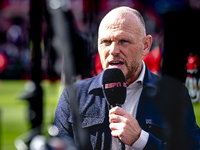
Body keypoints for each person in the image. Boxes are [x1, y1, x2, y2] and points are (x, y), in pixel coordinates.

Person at [54, 6, 200, 150]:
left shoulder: (175, 95)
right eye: (106, 41)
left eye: (124, 41)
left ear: (146, 45)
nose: (113, 50)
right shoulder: (73, 96)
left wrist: (141, 140)